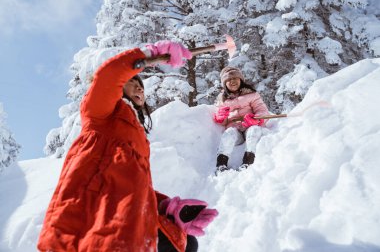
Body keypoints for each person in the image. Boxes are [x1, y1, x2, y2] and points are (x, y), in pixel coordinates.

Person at [37, 41, 218, 252]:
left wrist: (166, 207)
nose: (140, 86)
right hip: (95, 213)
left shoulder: (137, 135)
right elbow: (108, 75)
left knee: (185, 244)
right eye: (132, 80)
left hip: (126, 214)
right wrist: (149, 53)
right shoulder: (99, 114)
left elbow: (127, 181)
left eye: (141, 84)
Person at [213, 66, 269, 175]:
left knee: (254, 131)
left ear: (241, 80)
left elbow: (263, 111)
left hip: (250, 126)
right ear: (225, 84)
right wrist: (221, 118)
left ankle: (248, 162)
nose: (232, 81)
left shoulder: (252, 95)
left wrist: (256, 120)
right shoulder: (222, 100)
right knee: (229, 133)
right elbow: (223, 122)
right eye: (229, 80)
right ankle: (221, 164)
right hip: (235, 130)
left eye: (235, 78)